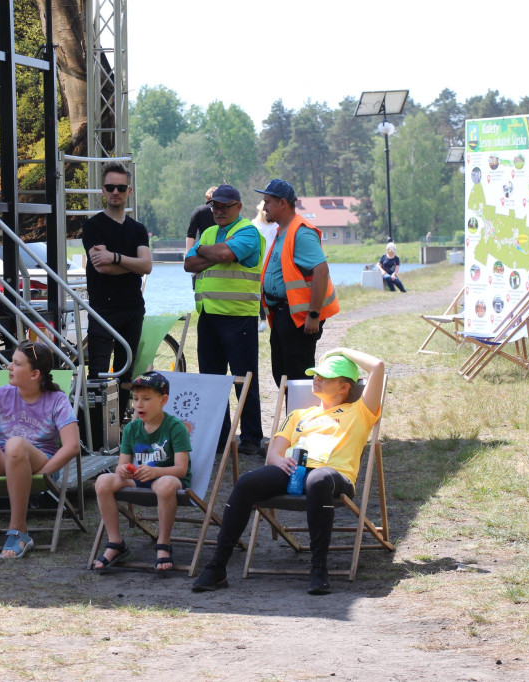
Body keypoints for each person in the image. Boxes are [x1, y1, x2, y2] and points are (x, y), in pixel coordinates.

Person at [192, 347, 384, 595]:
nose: (316, 378)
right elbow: (275, 451)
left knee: (318, 479)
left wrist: (340, 350)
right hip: (294, 471)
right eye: (316, 374)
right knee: (246, 482)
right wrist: (278, 461)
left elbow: (378, 366)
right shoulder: (298, 415)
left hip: (334, 476)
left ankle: (318, 568)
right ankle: (217, 566)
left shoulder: (359, 411)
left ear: (344, 387)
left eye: (324, 376)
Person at [0, 341, 80, 559]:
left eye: (16, 363)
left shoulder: (56, 400)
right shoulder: (1, 395)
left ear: (34, 374)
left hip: (38, 462)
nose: (9, 367)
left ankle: (19, 531)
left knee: (15, 444)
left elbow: (72, 445)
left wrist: (46, 472)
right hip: (4, 462)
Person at [184, 184, 266, 457]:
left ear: (238, 207)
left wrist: (208, 252)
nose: (218, 211)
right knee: (211, 380)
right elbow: (188, 264)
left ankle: (252, 438)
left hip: (238, 317)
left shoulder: (248, 232)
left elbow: (223, 255)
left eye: (224, 207)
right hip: (208, 316)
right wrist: (215, 253)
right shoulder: (208, 232)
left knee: (244, 379)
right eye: (214, 207)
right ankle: (220, 437)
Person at [92, 371, 192, 574]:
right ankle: (115, 542)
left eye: (146, 399)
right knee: (103, 481)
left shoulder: (175, 427)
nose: (139, 405)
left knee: (165, 485)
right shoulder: (131, 428)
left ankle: (163, 544)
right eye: (136, 399)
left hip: (167, 479)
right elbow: (123, 465)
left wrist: (156, 472)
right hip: (141, 479)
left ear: (163, 400)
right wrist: (123, 470)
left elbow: (182, 469)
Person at [81, 161, 153, 429]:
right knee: (98, 373)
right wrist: (128, 262)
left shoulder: (137, 228)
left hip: (132, 308)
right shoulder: (93, 227)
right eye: (110, 187)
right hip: (102, 309)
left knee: (127, 372)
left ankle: (119, 427)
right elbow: (101, 267)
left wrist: (115, 257)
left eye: (120, 188)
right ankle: (96, 432)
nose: (115, 192)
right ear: (103, 190)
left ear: (129, 191)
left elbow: (146, 266)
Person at [256, 178, 339, 388]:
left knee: (298, 378)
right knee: (282, 374)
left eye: (268, 202)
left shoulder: (301, 232)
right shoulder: (282, 231)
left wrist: (313, 314)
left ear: (283, 203)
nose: (264, 207)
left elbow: (321, 271)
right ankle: (292, 419)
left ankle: (303, 419)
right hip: (283, 314)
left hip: (299, 319)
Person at [251, 200, 278, 332]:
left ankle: (273, 317)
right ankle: (262, 319)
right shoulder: (254, 225)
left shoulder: (277, 225)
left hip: (273, 263)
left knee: (272, 290)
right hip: (260, 263)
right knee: (260, 292)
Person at [185, 186, 218, 251]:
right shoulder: (225, 211)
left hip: (202, 249)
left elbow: (191, 235)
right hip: (220, 249)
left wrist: (188, 255)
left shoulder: (199, 210)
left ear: (206, 198)